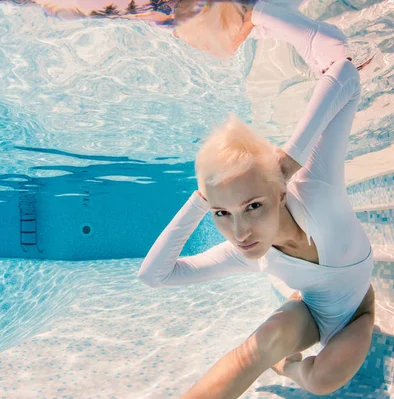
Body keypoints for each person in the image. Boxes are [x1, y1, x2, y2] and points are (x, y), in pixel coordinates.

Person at [137, 2, 376, 397]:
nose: (240, 231)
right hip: (311, 313)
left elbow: (346, 73)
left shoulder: (314, 185)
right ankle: (279, 356)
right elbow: (154, 276)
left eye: (253, 206)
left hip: (358, 311)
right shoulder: (244, 251)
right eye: (221, 214)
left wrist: (290, 159)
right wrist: (202, 198)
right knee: (254, 349)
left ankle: (291, 368)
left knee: (320, 380)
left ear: (279, 191)